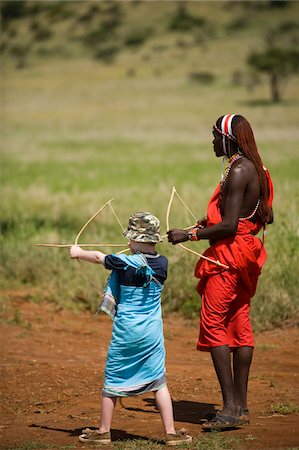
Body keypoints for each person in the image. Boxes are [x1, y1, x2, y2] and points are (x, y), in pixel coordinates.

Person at [167, 114, 274, 430]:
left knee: (214, 324)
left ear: (229, 139)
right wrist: (211, 221)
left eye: (215, 136)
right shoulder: (258, 169)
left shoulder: (239, 170)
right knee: (240, 325)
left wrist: (189, 235)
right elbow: (263, 217)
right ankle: (240, 407)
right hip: (246, 257)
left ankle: (228, 409)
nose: (213, 141)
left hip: (227, 258)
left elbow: (229, 225)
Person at [70, 212, 192, 446]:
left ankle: (104, 431)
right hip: (152, 333)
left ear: (138, 240)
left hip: (126, 333)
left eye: (131, 239)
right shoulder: (163, 263)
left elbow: (98, 257)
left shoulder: (124, 263)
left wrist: (78, 253)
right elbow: (139, 262)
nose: (127, 243)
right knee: (159, 381)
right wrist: (134, 252)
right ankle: (171, 432)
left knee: (112, 379)